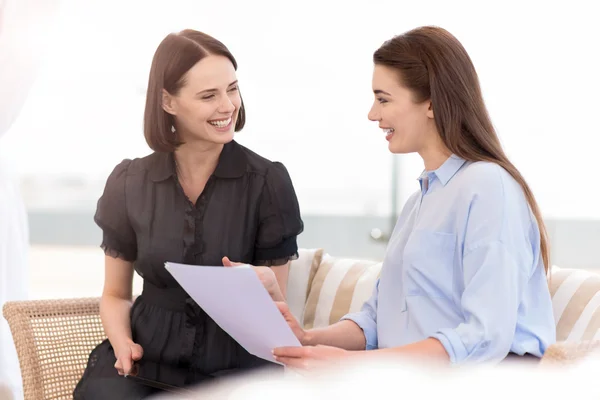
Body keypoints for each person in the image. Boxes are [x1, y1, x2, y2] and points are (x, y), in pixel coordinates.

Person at [272, 26, 556, 368]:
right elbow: (378, 320)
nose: (372, 114)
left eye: (383, 99)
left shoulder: (488, 187)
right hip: (409, 381)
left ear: (432, 104)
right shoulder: (418, 202)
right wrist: (307, 339)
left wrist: (355, 367)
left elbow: (484, 337)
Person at [73, 29, 303, 399]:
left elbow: (275, 307)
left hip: (236, 369)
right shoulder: (129, 182)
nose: (228, 106)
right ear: (168, 102)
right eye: (208, 96)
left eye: (232, 88)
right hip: (146, 361)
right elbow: (116, 294)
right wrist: (121, 344)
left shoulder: (267, 182)